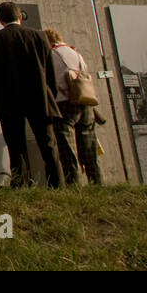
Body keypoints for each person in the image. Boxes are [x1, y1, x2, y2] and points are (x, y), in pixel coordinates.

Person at [0, 2, 63, 188]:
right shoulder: (39, 36)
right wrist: (49, 95)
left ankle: (20, 184)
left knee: (16, 148)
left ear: (0, 20)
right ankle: (57, 185)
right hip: (40, 99)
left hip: (9, 102)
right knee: (48, 146)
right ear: (20, 16)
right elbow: (50, 72)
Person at [45, 29, 101, 185]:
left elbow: (52, 80)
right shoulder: (76, 53)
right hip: (85, 102)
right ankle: (96, 181)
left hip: (65, 103)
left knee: (68, 149)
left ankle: (74, 185)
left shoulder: (53, 55)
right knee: (89, 147)